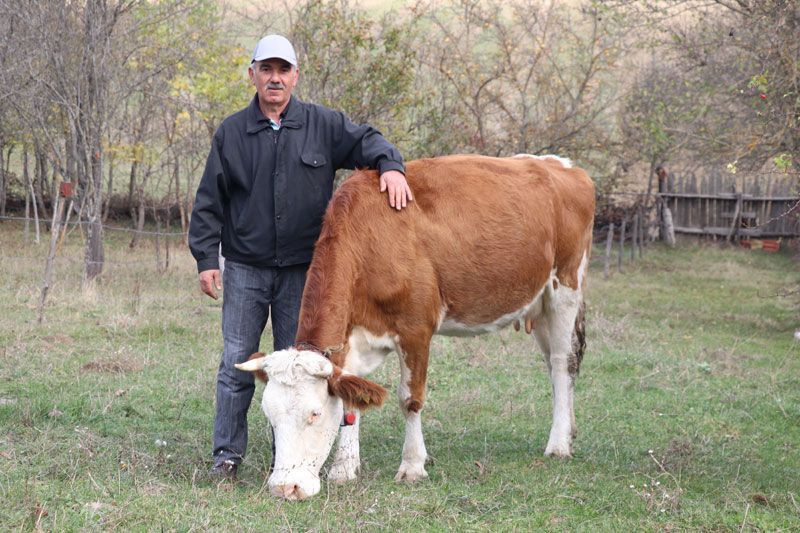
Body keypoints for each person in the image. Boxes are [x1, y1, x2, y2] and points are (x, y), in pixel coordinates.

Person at [188, 34, 412, 479]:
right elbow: (209, 200)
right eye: (266, 70)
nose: (275, 78)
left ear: (295, 76)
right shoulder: (232, 133)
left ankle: (287, 456)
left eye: (283, 70)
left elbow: (368, 139)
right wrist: (206, 259)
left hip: (304, 276)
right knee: (236, 363)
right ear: (252, 74)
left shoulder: (323, 125)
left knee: (301, 370)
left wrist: (391, 165)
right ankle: (227, 456)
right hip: (246, 269)